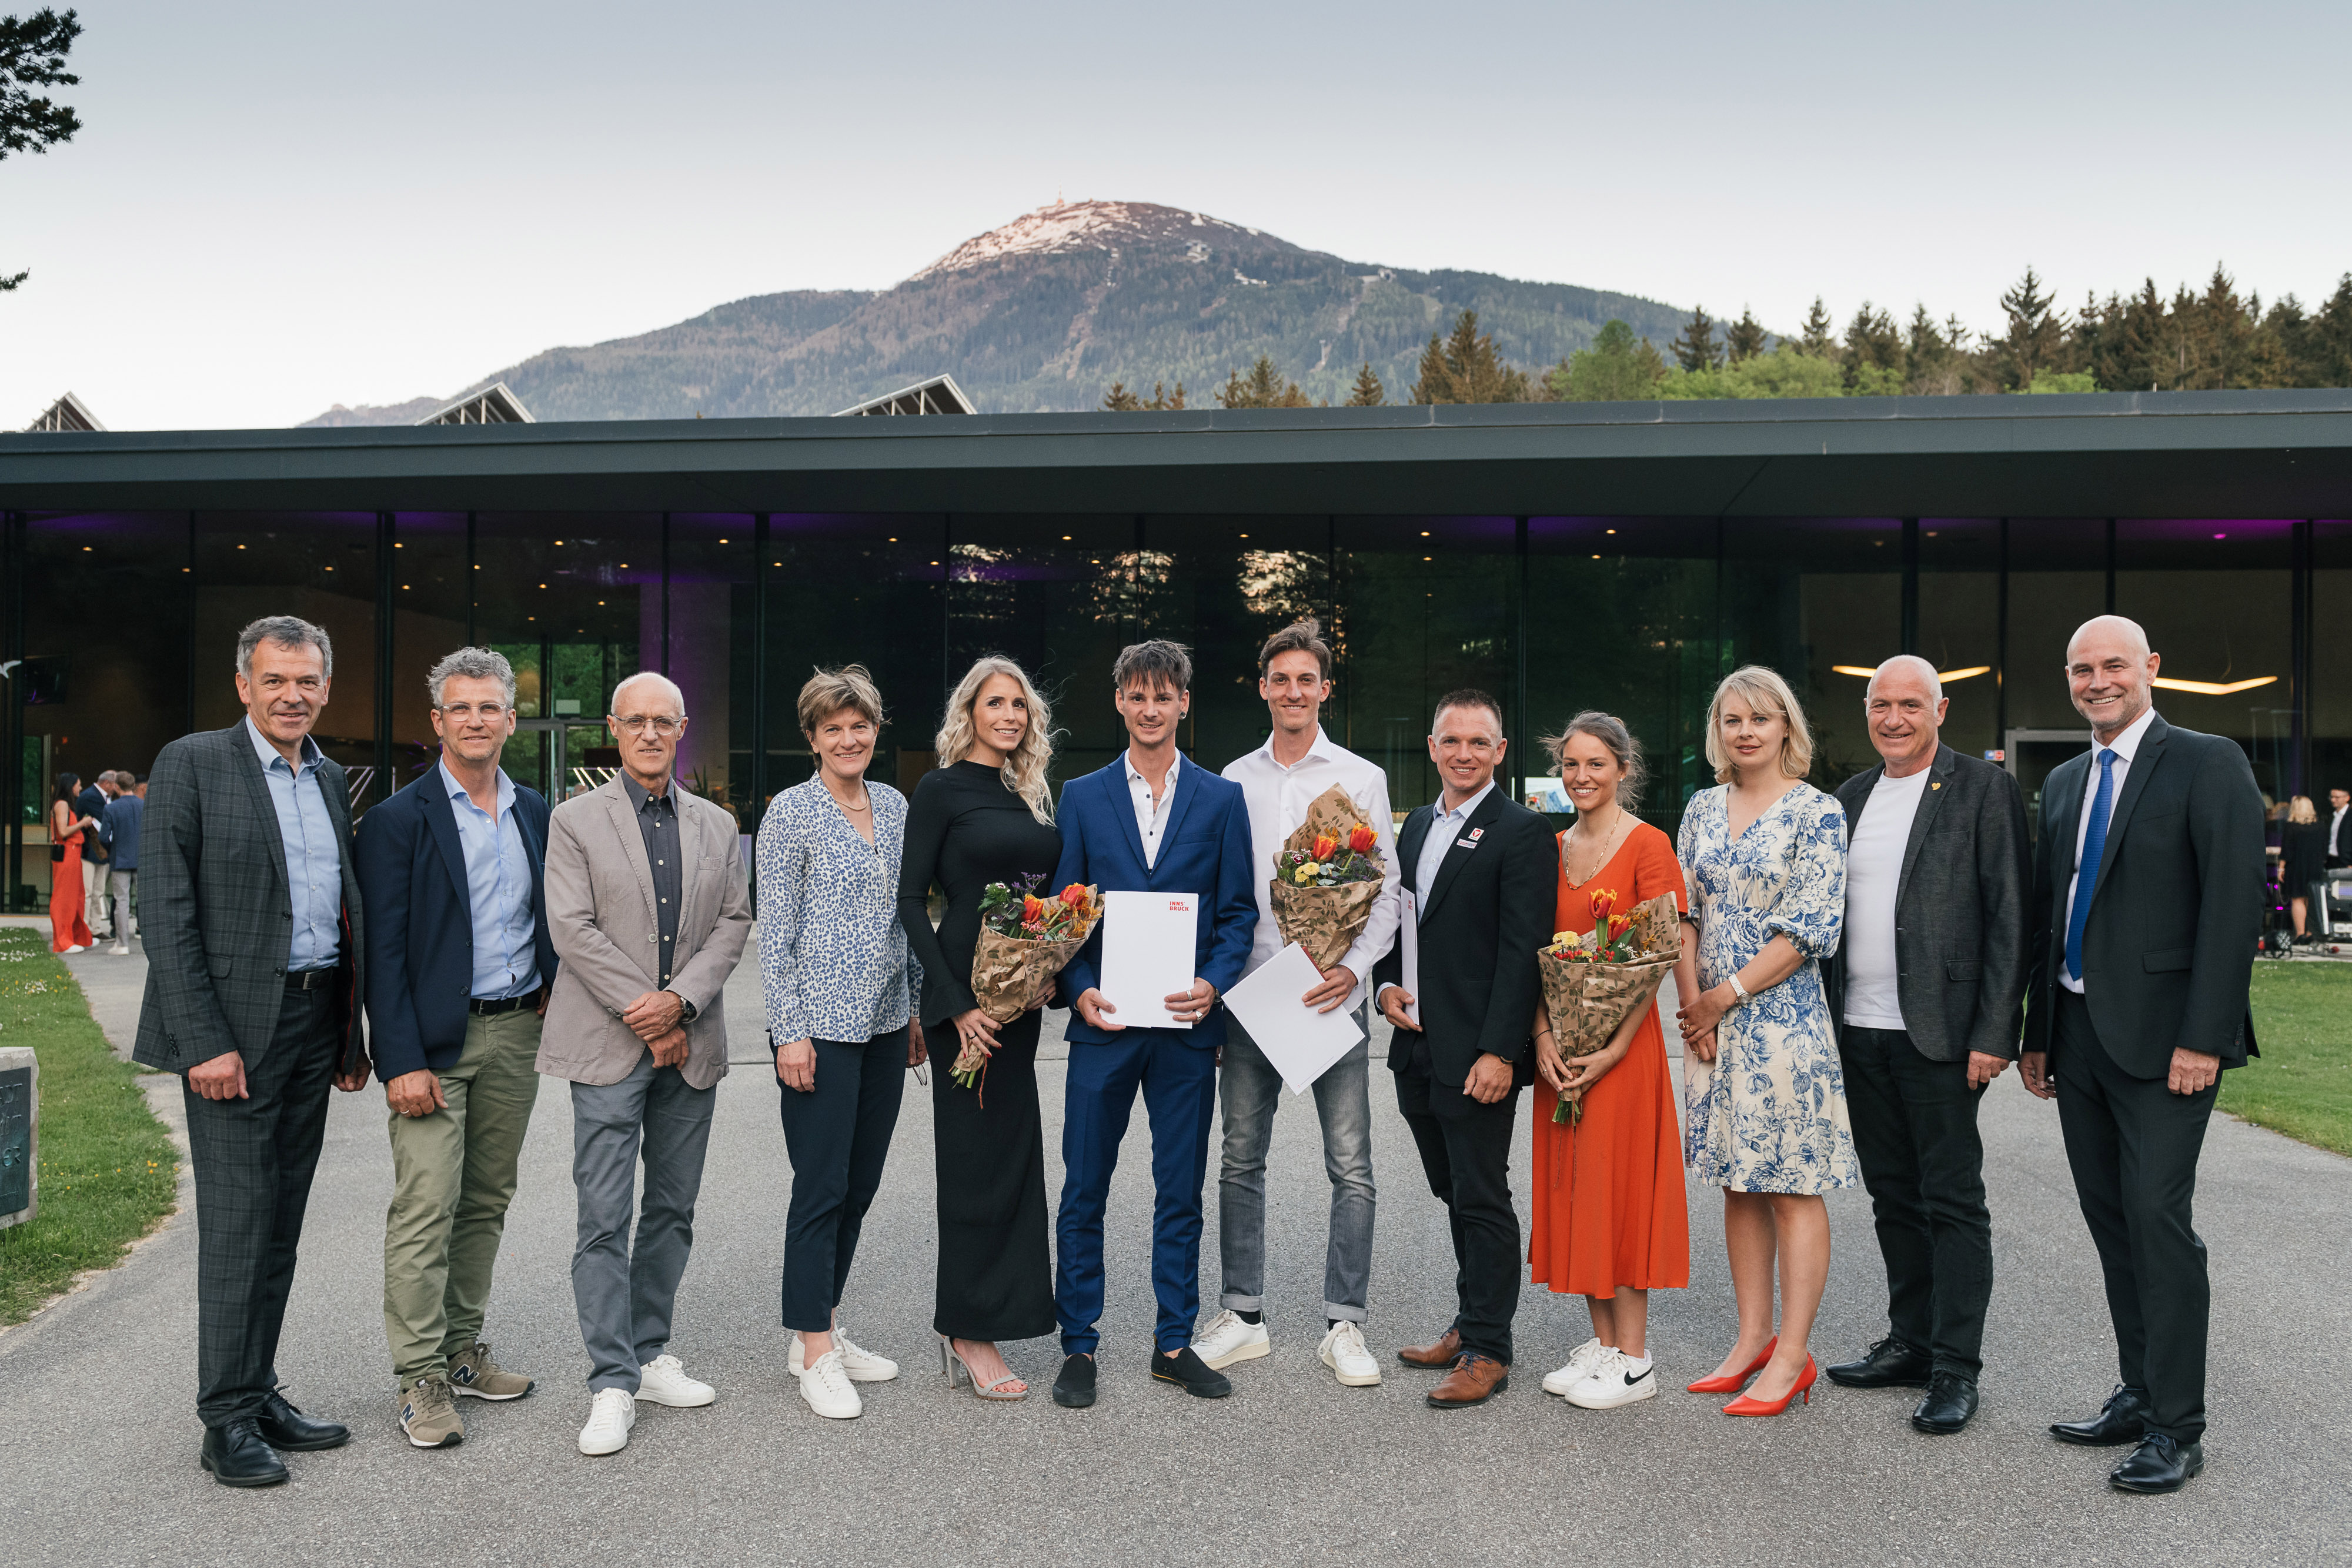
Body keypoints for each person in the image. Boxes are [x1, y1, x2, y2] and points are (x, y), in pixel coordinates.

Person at [2021, 615, 2264, 1495]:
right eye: (2081, 668)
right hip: (2079, 1033)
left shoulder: (2208, 761)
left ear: (2151, 667)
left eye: (2113, 664)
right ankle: (2138, 1389)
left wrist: (2204, 1034)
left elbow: (2234, 908)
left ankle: (2178, 1426)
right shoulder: (2062, 781)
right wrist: (2038, 1032)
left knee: (2158, 1223)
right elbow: (2052, 913)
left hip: (2169, 1042)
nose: (2097, 680)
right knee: (2112, 1221)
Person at [130, 616, 373, 1487]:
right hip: (232, 1035)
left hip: (312, 1027)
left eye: (307, 681)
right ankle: (224, 1417)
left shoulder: (330, 774)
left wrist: (349, 1033)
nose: (292, 695)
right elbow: (166, 910)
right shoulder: (192, 763)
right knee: (238, 1224)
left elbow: (341, 911)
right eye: (275, 679)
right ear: (243, 684)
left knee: (279, 1224)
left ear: (325, 687)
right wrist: (205, 1040)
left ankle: (258, 1384)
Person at [540, 670, 753, 1457]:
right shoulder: (574, 820)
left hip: (689, 1042)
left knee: (671, 1207)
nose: (652, 733)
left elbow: (733, 921)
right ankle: (609, 1380)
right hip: (606, 1043)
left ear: (683, 727)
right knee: (603, 1216)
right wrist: (649, 1008)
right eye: (638, 721)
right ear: (615, 727)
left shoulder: (716, 824)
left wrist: (680, 1006)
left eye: (666, 721)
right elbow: (573, 926)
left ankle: (648, 1347)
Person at [1818, 656, 2030, 1436]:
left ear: (1941, 708)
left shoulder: (1982, 787)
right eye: (1882, 704)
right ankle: (1909, 1340)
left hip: (1941, 1036)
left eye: (1912, 704)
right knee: (1894, 1197)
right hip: (1860, 1031)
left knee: (1951, 1201)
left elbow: (2012, 913)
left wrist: (1994, 1031)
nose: (1896, 717)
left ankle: (1955, 1367)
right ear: (1867, 711)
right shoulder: (1850, 797)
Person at [354, 648, 557, 1449]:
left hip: (515, 1032)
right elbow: (384, 953)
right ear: (437, 721)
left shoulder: (537, 811)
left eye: (490, 706)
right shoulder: (397, 820)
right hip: (433, 1045)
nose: (476, 719)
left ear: (511, 718)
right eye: (460, 707)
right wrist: (399, 1057)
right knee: (427, 1204)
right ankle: (419, 1376)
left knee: (486, 1199)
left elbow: (555, 916)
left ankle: (463, 1350)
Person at [1047, 638, 1257, 1409]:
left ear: (1183, 703)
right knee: (1085, 1187)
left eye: (1162, 695)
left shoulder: (1221, 799)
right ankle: (1080, 1344)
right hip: (1104, 1023)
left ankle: (1174, 1341)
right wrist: (1078, 986)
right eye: (1136, 694)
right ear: (1119, 702)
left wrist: (1214, 980)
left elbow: (1237, 913)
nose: (1149, 708)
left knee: (1180, 1189)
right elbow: (1066, 913)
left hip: (1184, 1028)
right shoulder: (1082, 794)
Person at [1192, 618, 1397, 1390]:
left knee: (1351, 1164)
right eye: (1280, 679)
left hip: (1330, 991)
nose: (1293, 691)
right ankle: (1243, 1314)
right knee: (1241, 1158)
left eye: (1306, 679)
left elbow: (1387, 890)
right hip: (1252, 994)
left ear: (1325, 688)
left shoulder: (1361, 778)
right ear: (1263, 686)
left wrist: (1354, 967)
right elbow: (1220, 891)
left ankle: (1345, 1323)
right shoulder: (1231, 779)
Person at [1674, 664, 1856, 1418]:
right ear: (1717, 733)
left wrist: (1723, 997)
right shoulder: (1699, 808)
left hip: (1782, 1027)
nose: (1744, 731)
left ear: (1787, 726)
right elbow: (1680, 912)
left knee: (1788, 1185)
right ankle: (1750, 1340)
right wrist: (1692, 1003)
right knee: (1735, 1179)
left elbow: (1811, 930)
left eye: (1759, 718)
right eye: (1730, 720)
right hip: (1707, 1024)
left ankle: (1791, 1354)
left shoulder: (1818, 812)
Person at [1374, 689, 1553, 1409]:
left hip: (1478, 1055)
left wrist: (1502, 1054)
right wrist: (1385, 987)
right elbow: (1394, 922)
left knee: (1481, 1196)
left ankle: (1488, 1349)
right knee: (1452, 1190)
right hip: (1415, 1045)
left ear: (1500, 752)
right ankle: (1467, 1319)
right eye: (1452, 741)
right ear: (1431, 745)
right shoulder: (1415, 825)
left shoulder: (1521, 832)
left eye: (1479, 742)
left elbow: (1523, 954)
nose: (1464, 753)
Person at [759, 665, 923, 1421]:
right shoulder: (791, 812)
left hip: (888, 1023)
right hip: (819, 1029)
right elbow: (776, 935)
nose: (848, 738)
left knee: (859, 1188)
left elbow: (907, 916)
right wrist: (788, 1031)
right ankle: (814, 1349)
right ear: (813, 738)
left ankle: (819, 1326)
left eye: (859, 725)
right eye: (833, 728)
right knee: (820, 1189)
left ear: (875, 730)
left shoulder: (894, 805)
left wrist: (917, 1007)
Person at [897, 656, 1064, 1402]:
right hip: (963, 1006)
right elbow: (910, 902)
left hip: (1017, 1003)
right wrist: (956, 1002)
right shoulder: (938, 789)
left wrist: (1044, 964)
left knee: (1013, 1156)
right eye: (995, 703)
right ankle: (966, 1329)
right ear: (969, 710)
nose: (1009, 716)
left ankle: (1001, 1313)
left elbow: (1041, 898)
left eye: (1019, 706)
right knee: (971, 1159)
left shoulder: (1027, 792)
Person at [1528, 712, 1692, 1410]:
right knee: (1576, 1192)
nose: (1581, 776)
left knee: (1619, 1193)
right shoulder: (1551, 845)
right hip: (1562, 1048)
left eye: (1596, 764)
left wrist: (1618, 1045)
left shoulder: (1648, 845)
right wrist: (1541, 1036)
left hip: (1624, 1053)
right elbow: (1533, 954)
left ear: (1624, 769)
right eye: (1570, 764)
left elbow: (1656, 957)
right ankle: (1601, 1346)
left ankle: (1634, 1359)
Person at [48, 773, 97, 954]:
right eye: (78, 784)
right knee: (64, 897)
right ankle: (63, 941)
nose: (80, 788)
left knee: (77, 896)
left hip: (73, 854)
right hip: (68, 853)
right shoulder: (62, 805)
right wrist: (83, 823)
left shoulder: (66, 805)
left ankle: (77, 937)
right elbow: (63, 831)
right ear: (70, 787)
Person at [104, 770, 144, 954]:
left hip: (120, 858)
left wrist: (113, 848)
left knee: (122, 901)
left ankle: (122, 944)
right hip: (142, 858)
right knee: (144, 900)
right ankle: (149, 942)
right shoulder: (144, 805)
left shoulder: (111, 808)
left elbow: (104, 836)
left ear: (117, 787)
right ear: (134, 786)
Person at [2280, 795, 2327, 943]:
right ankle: (2310, 932)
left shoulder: (2291, 827)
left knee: (2298, 899)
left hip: (2297, 867)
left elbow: (2287, 850)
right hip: (2315, 867)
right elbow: (2324, 850)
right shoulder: (2321, 826)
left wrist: (2281, 868)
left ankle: (2300, 934)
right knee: (2312, 899)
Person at [78, 769, 113, 938]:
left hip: (101, 851)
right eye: (115, 784)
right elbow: (105, 818)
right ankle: (85, 928)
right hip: (89, 851)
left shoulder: (104, 797)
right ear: (107, 783)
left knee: (98, 891)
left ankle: (95, 928)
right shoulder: (89, 796)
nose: (116, 788)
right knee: (88, 891)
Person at [2328, 787, 2349, 867]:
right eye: (2331, 797)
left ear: (2347, 798)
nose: (2333, 800)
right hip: (2331, 859)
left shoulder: (2350, 816)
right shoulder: (2332, 816)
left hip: (2346, 862)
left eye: (2337, 797)